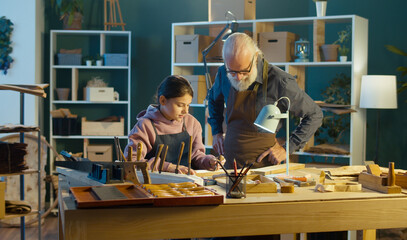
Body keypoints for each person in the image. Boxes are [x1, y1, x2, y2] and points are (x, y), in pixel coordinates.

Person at [207, 32, 323, 169]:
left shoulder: (280, 81)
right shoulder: (222, 74)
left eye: (244, 71)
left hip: (266, 167)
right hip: (231, 165)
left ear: (255, 57)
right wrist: (216, 132)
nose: (238, 78)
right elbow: (213, 100)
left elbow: (315, 114)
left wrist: (287, 148)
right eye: (232, 72)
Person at [124, 75, 223, 174]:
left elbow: (196, 156)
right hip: (155, 184)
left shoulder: (192, 123)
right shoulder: (146, 125)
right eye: (180, 105)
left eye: (188, 105)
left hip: (185, 183)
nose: (186, 111)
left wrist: (209, 161)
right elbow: (132, 161)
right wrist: (167, 167)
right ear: (162, 100)